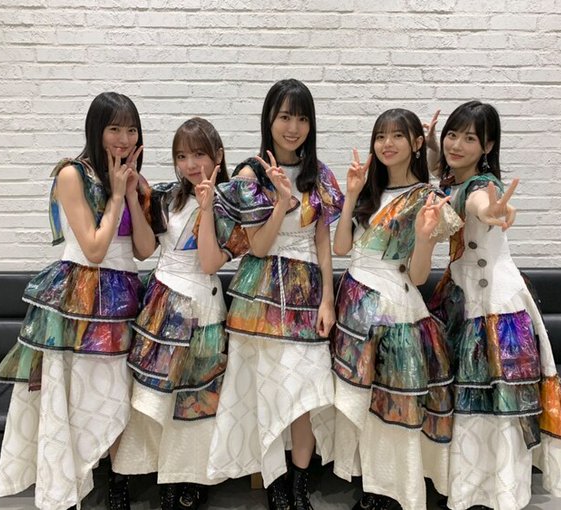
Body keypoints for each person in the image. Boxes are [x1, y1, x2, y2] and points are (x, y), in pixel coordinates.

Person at [0, 92, 156, 510]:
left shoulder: (132, 178)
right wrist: (115, 196)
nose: (123, 138)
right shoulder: (71, 175)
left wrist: (131, 194)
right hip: (82, 298)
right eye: (114, 128)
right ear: (96, 130)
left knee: (121, 393)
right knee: (83, 395)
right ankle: (75, 482)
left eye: (131, 130)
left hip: (126, 296)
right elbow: (94, 249)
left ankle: (118, 484)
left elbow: (143, 250)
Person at [428, 101, 561, 510]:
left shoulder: (480, 187)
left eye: (470, 138)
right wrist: (431, 147)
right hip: (465, 301)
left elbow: (482, 204)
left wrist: (496, 211)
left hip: (494, 310)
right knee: (472, 401)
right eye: (452, 135)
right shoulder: (453, 179)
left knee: (498, 402)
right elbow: (443, 179)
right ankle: (471, 490)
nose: (456, 145)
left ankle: (498, 493)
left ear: (487, 146)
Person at [207, 79, 343, 510]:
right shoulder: (250, 174)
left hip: (307, 295)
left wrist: (328, 298)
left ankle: (300, 483)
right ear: (269, 119)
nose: (293, 127)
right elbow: (259, 247)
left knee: (303, 394)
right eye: (285, 117)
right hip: (261, 295)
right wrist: (282, 204)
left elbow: (322, 240)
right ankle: (275, 484)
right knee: (263, 393)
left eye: (302, 118)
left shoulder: (320, 174)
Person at [112, 117, 248, 510]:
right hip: (162, 305)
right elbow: (143, 250)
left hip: (203, 307)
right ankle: (160, 475)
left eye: (198, 154)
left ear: (218, 155)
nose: (190, 164)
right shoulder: (165, 197)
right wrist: (134, 199)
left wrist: (206, 209)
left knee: (195, 399)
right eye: (182, 156)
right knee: (155, 397)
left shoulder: (233, 204)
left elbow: (209, 263)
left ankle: (191, 477)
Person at [331, 108, 462, 510]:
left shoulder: (429, 198)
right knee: (365, 403)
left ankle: (393, 492)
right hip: (355, 309)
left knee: (393, 404)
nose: (387, 144)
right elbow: (341, 248)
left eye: (397, 136)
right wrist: (351, 194)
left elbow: (419, 275)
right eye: (380, 136)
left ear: (418, 143)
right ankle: (372, 484)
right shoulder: (367, 191)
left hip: (396, 311)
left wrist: (423, 238)